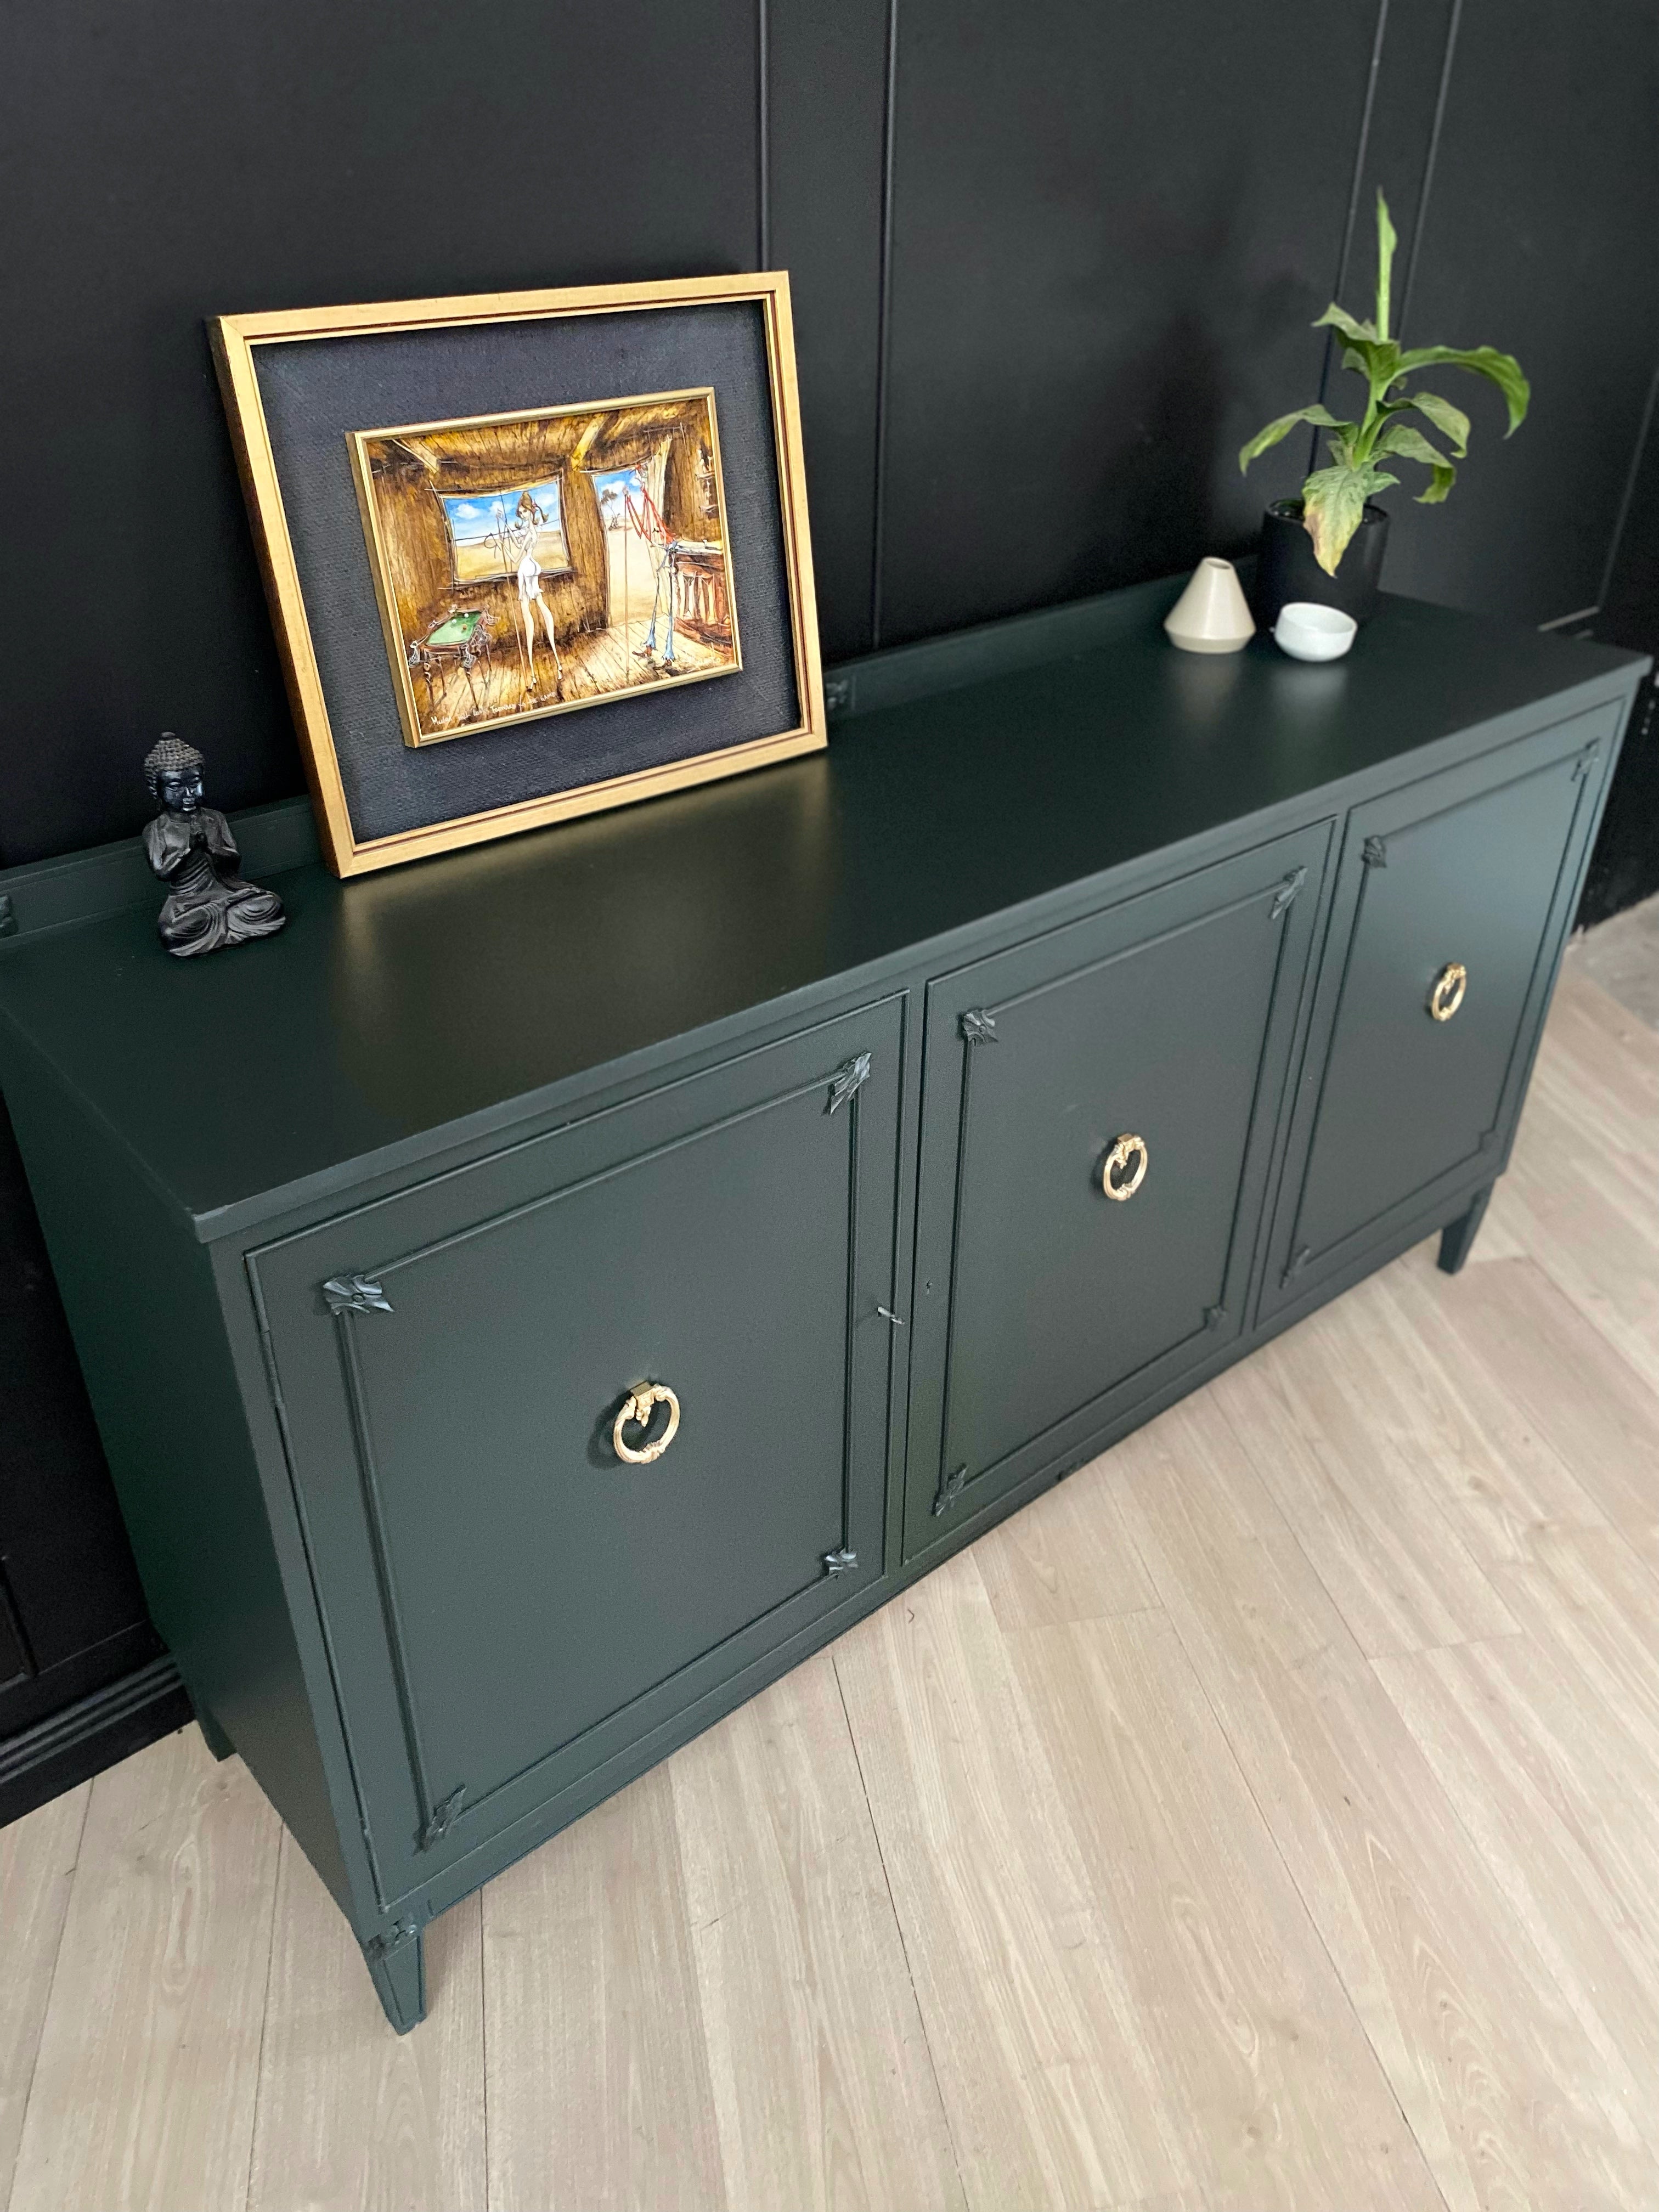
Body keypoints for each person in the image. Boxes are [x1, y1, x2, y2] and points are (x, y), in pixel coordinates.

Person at [141, 735, 286, 958]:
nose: (189, 794)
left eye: (195, 784)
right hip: (187, 903)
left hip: (224, 892)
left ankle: (222, 924)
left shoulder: (215, 819)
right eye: (176, 786)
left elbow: (234, 859)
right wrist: (188, 849)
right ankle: (225, 924)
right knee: (171, 932)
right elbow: (162, 872)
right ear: (156, 790)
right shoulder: (157, 829)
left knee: (270, 904)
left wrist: (211, 847)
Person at [499, 488, 566, 702]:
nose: (522, 514)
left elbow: (517, 553)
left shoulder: (530, 531)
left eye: (523, 511)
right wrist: (507, 530)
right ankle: (557, 663)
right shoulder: (534, 530)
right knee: (542, 608)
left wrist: (503, 548)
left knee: (529, 619)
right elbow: (521, 543)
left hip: (525, 568)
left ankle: (533, 674)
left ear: (529, 511)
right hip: (533, 567)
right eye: (520, 512)